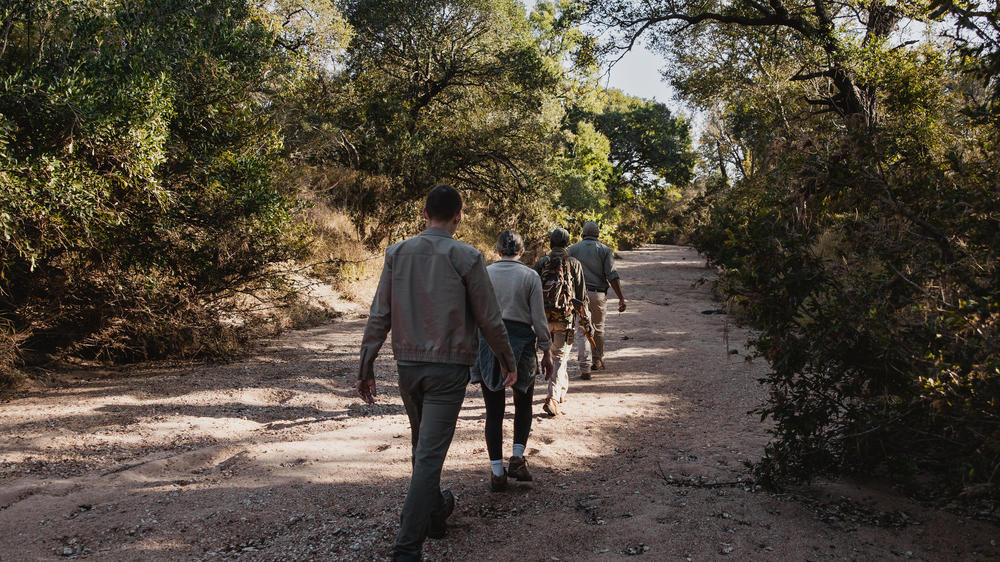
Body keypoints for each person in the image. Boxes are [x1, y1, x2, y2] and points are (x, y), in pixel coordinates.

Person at [357, 184, 516, 562]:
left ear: (424, 213)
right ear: (458, 217)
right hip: (449, 367)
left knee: (421, 447)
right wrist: (508, 361)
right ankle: (407, 549)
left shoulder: (396, 253)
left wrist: (366, 365)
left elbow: (380, 313)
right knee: (428, 455)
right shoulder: (467, 256)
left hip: (407, 367)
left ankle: (433, 515)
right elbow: (490, 319)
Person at [471, 230, 555, 492]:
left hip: (489, 341)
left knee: (493, 411)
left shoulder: (484, 273)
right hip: (521, 342)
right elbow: (539, 319)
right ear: (522, 251)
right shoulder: (530, 276)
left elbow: (474, 313)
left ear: (498, 250)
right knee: (523, 404)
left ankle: (497, 473)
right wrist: (547, 351)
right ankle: (517, 457)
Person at [533, 227, 588, 417]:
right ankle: (553, 398)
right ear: (567, 244)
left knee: (557, 357)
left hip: (543, 318)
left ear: (551, 243)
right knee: (560, 357)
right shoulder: (574, 264)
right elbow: (581, 296)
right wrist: (584, 319)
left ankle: (561, 390)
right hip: (565, 318)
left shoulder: (541, 263)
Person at [568, 221, 627, 378]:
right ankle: (597, 360)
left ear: (583, 234)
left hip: (578, 296)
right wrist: (621, 297)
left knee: (582, 328)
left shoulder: (572, 249)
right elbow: (612, 275)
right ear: (598, 235)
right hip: (597, 294)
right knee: (598, 328)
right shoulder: (605, 250)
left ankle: (584, 364)